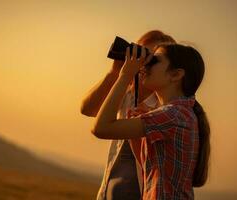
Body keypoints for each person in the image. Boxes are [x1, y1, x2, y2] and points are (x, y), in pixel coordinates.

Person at [91, 43, 210, 199]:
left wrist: (125, 75)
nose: (146, 65)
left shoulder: (172, 115)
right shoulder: (179, 113)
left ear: (175, 75)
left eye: (154, 60)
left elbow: (101, 128)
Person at [81, 30, 176, 200]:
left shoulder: (165, 109)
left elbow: (100, 129)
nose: (143, 64)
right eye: (140, 54)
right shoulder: (126, 95)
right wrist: (115, 72)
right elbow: (87, 109)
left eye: (152, 59)